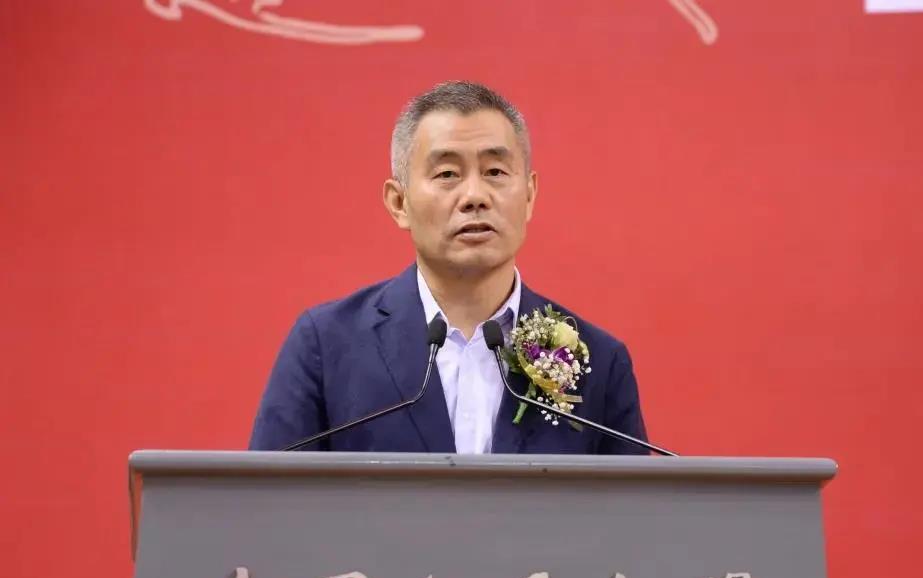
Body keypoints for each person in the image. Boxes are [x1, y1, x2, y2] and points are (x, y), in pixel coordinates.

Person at [249, 81, 648, 454]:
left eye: (495, 172)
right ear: (399, 203)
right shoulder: (326, 345)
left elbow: (631, 505)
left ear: (529, 196)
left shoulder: (597, 361)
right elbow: (270, 498)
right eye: (447, 174)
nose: (475, 196)